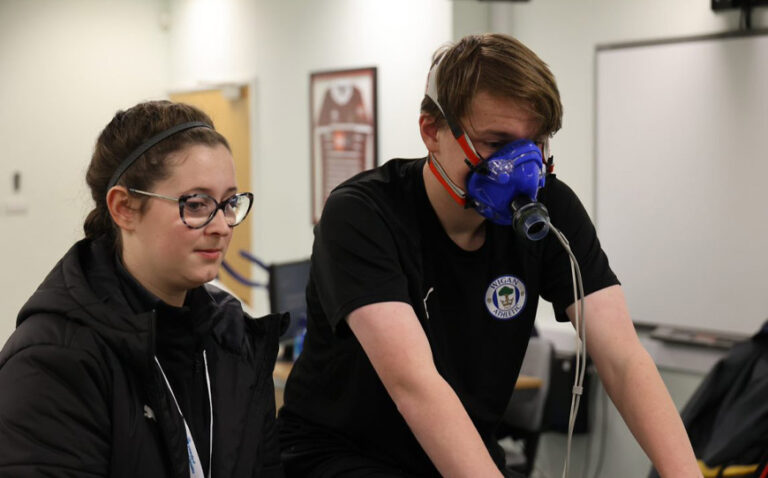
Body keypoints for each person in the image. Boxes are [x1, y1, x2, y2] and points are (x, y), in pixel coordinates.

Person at [278, 34, 701, 477]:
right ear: (431, 131)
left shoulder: (550, 212)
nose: (519, 168)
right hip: (341, 457)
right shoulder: (363, 215)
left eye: (535, 144)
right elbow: (415, 385)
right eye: (496, 144)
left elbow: (623, 358)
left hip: (463, 452)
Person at [0, 101, 285, 477]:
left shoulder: (235, 341)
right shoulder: (54, 362)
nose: (222, 226)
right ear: (124, 208)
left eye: (229, 202)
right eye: (197, 204)